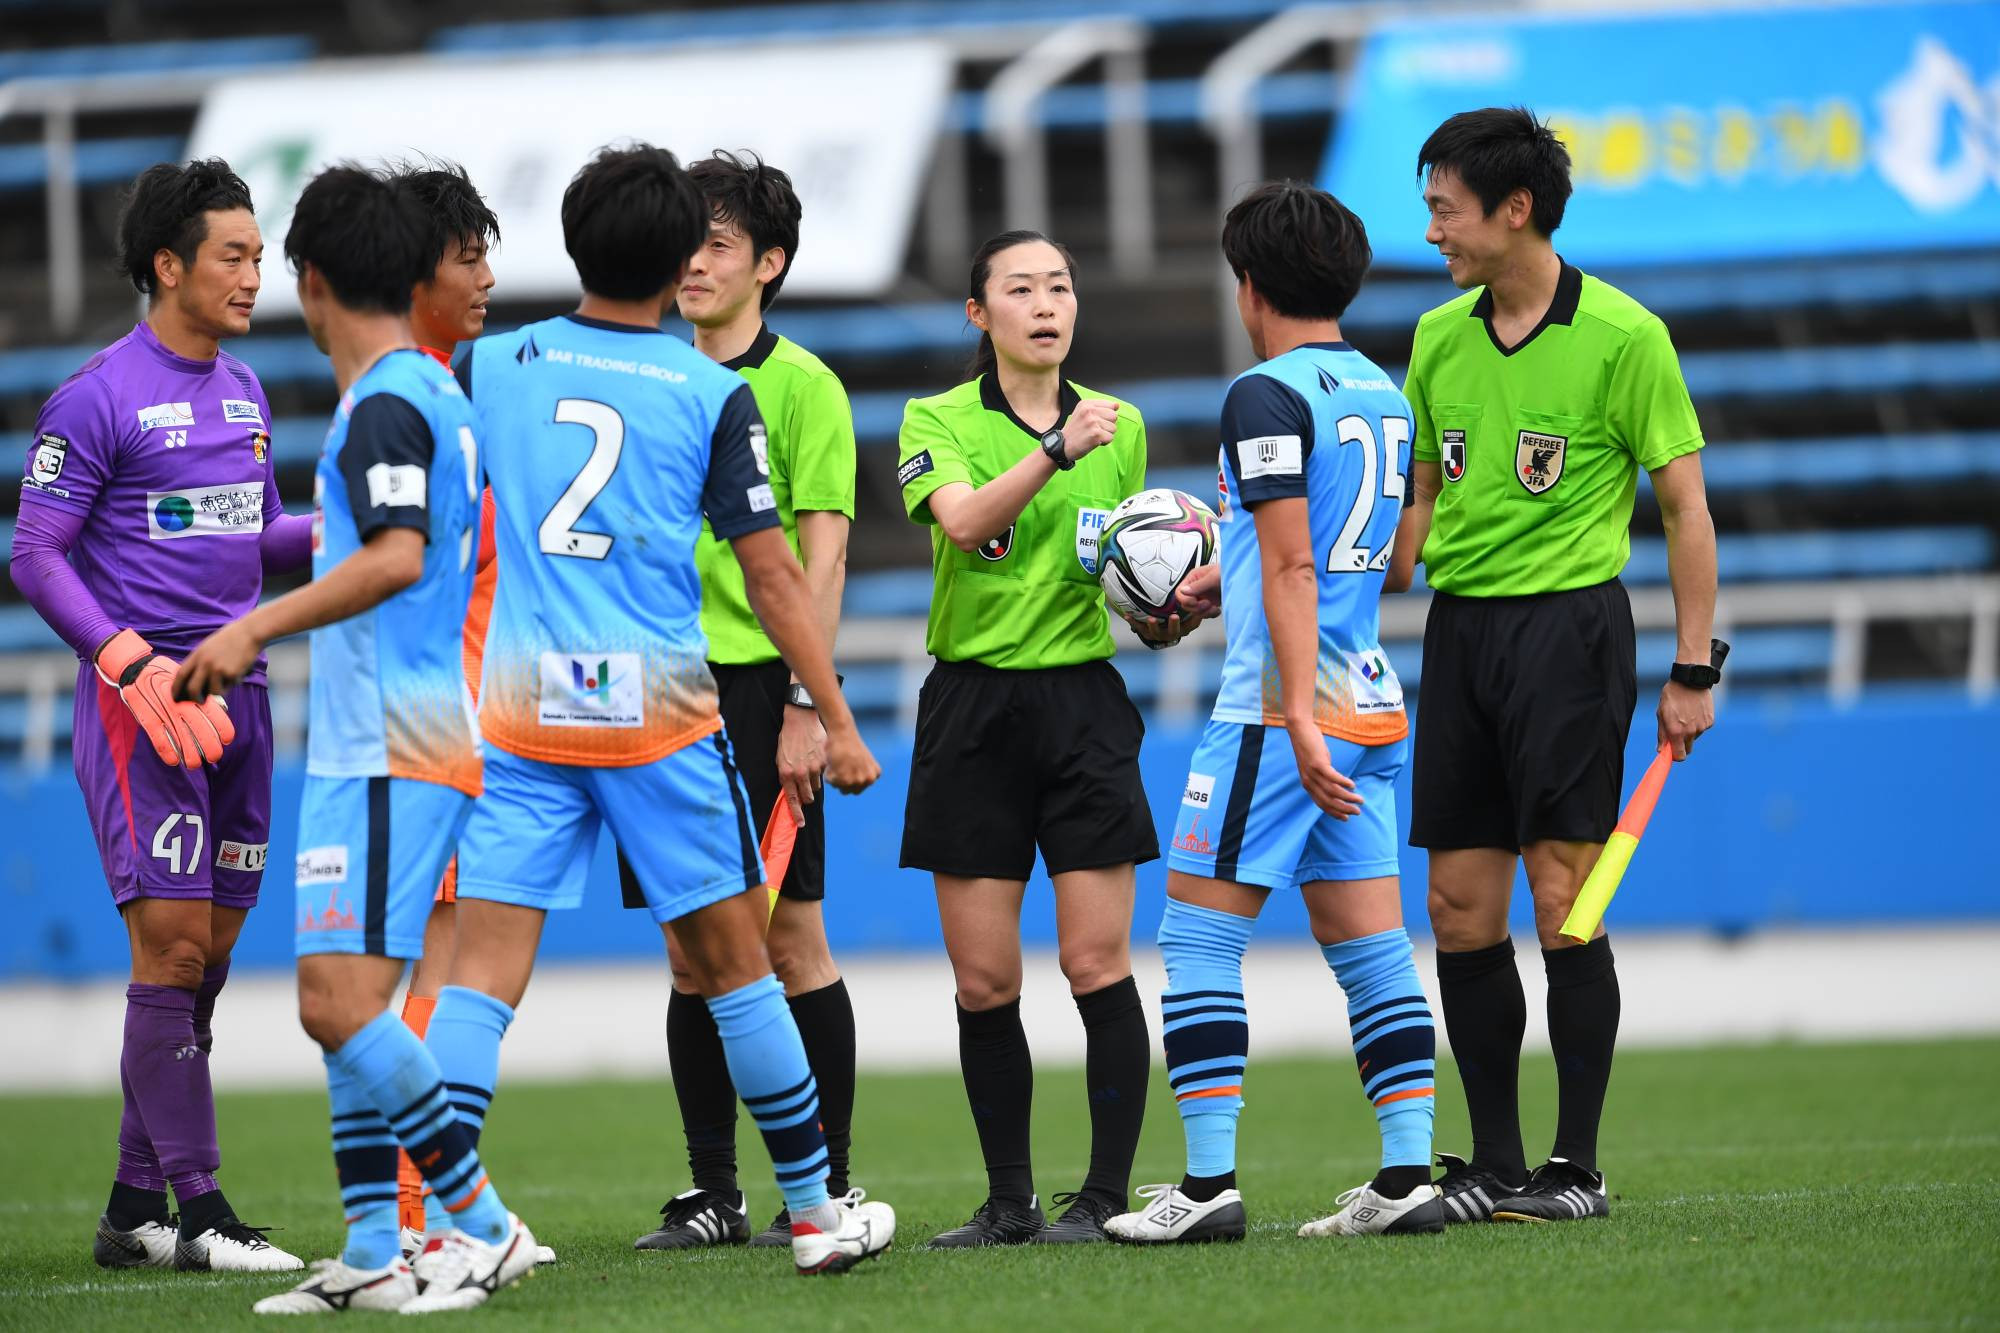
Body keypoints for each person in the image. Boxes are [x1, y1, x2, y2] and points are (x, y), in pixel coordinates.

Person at [424, 143, 896, 1278]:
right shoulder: (709, 391)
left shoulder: (496, 363)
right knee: (738, 964)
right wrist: (832, 712)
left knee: (479, 979)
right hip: (662, 715)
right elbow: (776, 575)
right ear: (676, 253)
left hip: (525, 709)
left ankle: (438, 1223)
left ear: (575, 241)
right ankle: (816, 1215)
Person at [175, 164, 529, 1315]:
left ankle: (479, 1222)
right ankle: (376, 1248)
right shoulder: (419, 392)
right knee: (348, 1009)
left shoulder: (388, 399)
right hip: (378, 742)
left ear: (309, 277)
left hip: (394, 741)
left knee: (335, 1004)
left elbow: (394, 555)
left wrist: (248, 628)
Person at [1388, 107, 1718, 1224]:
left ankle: (1574, 1168)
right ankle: (1491, 1162)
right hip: (1460, 634)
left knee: (1562, 899)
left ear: (1512, 209)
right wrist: (1335, 576)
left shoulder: (1625, 337)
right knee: (1455, 904)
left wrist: (1690, 668)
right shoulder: (1435, 338)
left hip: (1570, 635)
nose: (1430, 230)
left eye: (1443, 208)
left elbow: (1682, 507)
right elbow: (1423, 500)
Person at [1105, 181, 1443, 1244]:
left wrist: (1291, 709)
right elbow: (1383, 564)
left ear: (1247, 286)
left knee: (1196, 939)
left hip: (1276, 713)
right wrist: (1231, 582)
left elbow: (1294, 562)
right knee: (1373, 946)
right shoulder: (1380, 394)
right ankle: (1405, 1178)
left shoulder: (1262, 391)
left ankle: (1205, 1190)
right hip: (1375, 699)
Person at [11, 158, 306, 1275]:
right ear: (168, 265)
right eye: (232, 254)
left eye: (258, 253)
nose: (252, 273)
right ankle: (203, 1211)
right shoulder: (93, 395)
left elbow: (262, 535)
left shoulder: (246, 389)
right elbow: (34, 552)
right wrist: (125, 659)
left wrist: (352, 534)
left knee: (212, 951)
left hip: (247, 700)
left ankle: (134, 1205)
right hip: (147, 710)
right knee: (174, 944)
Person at [894, 229, 1172, 1247]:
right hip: (971, 710)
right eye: (1020, 288)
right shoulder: (936, 418)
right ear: (980, 315)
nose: (1046, 303)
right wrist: (1056, 449)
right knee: (984, 981)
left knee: (1096, 964)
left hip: (1081, 709)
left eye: (1058, 284)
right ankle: (1007, 1201)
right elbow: (964, 525)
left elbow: (1127, 577)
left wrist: (1165, 610)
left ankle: (1101, 1197)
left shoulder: (1123, 425)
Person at [626, 152, 865, 1252]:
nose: (693, 262)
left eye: (717, 241)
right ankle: (711, 1191)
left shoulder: (804, 386)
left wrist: (814, 706)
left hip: (769, 683)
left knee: (788, 938)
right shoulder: (652, 375)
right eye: (686, 241)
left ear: (768, 263)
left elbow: (819, 560)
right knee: (692, 946)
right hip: (665, 684)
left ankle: (830, 1184)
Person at [382, 159, 504, 1253]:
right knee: (443, 971)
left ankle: (424, 1211)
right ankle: (426, 1217)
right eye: (468, 257)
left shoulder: (433, 392)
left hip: (449, 713)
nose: (488, 279)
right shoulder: (416, 399)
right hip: (442, 720)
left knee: (436, 970)